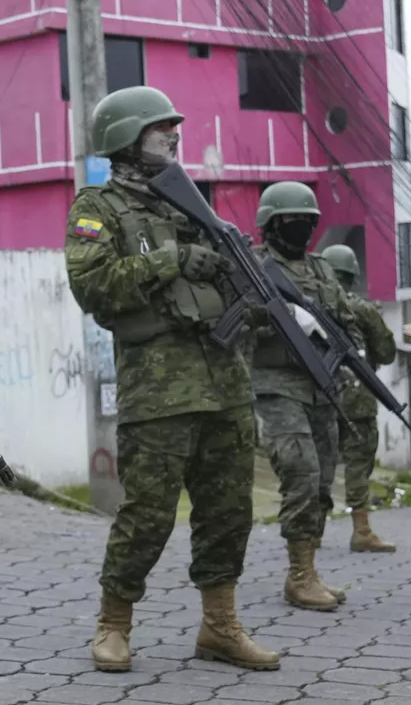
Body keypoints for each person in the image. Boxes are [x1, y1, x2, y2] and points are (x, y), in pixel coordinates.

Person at [64, 85, 280, 673]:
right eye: (161, 127)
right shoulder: (97, 208)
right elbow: (94, 286)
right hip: (159, 392)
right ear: (127, 139)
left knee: (229, 510)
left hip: (225, 384)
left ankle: (219, 625)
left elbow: (233, 292)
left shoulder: (195, 208)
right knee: (150, 514)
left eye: (173, 126)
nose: (174, 135)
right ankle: (114, 623)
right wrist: (173, 261)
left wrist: (254, 291)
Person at [251, 182, 353, 612]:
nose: (303, 229)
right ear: (272, 224)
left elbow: (345, 316)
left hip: (322, 386)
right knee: (301, 471)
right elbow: (239, 321)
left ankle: (309, 570)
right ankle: (298, 576)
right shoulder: (253, 266)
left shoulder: (321, 270)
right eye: (293, 222)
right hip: (275, 384)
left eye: (309, 222)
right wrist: (285, 317)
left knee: (324, 482)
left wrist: (335, 333)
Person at [317, 244, 399, 553]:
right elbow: (386, 353)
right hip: (356, 396)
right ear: (352, 274)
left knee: (320, 462)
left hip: (319, 391)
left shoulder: (306, 304)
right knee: (358, 462)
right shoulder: (359, 308)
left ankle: (313, 533)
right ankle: (361, 530)